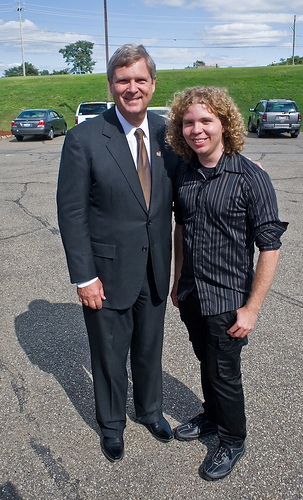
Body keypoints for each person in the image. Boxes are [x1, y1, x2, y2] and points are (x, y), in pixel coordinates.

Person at [57, 44, 179, 463]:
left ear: (153, 84)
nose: (132, 88)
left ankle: (149, 410)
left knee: (149, 348)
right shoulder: (83, 139)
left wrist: (239, 162)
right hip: (106, 273)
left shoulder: (168, 132)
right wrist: (84, 277)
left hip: (155, 267)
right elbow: (71, 213)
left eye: (139, 80)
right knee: (109, 354)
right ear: (111, 86)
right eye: (123, 80)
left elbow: (194, 180)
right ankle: (112, 425)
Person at [166, 86, 288, 481]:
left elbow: (269, 247)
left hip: (227, 299)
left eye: (205, 121)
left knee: (225, 372)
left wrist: (252, 309)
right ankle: (213, 416)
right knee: (207, 362)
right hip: (191, 293)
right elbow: (180, 228)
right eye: (188, 122)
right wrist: (176, 280)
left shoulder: (250, 177)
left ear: (224, 124)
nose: (196, 129)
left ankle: (233, 440)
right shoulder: (184, 171)